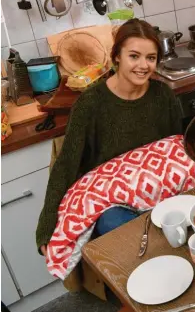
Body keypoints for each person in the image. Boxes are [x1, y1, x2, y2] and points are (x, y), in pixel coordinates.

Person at [36, 19, 183, 257]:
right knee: (127, 235)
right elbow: (65, 166)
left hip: (158, 192)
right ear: (117, 57)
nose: (143, 66)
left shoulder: (163, 95)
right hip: (114, 205)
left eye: (151, 58)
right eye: (134, 56)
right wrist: (46, 226)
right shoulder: (91, 104)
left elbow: (176, 152)